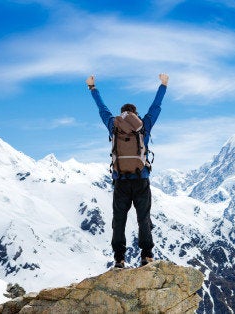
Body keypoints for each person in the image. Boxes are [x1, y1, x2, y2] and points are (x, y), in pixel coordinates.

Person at [86, 73, 168, 268]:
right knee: (143, 218)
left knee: (119, 220)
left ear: (121, 114)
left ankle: (119, 259)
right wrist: (163, 85)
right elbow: (155, 107)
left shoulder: (113, 126)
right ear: (135, 114)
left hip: (120, 181)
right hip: (141, 179)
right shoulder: (143, 127)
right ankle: (146, 256)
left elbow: (102, 108)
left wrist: (92, 88)